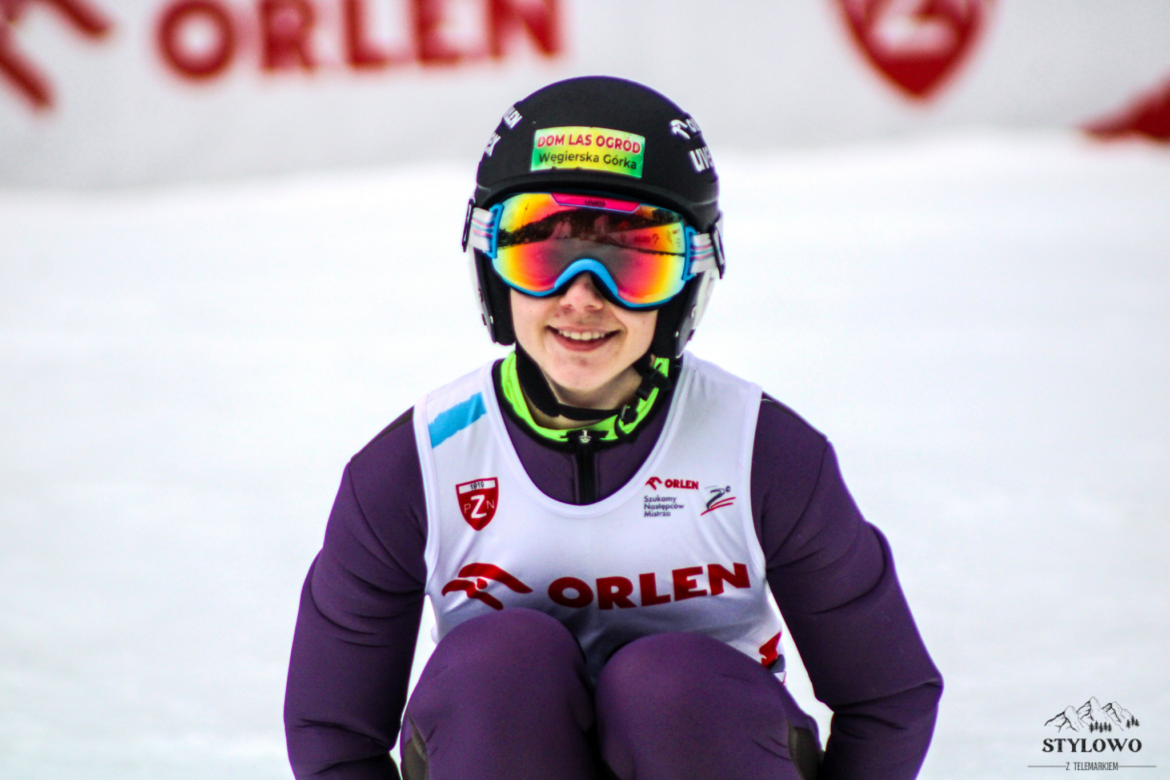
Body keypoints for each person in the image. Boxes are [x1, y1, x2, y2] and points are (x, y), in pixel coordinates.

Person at [284, 76, 942, 780]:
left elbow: (888, 698)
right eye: (542, 254)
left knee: (670, 687)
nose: (581, 298)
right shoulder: (418, 465)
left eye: (631, 261)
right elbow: (334, 734)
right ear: (492, 270)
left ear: (687, 283)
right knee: (497, 669)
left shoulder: (763, 454)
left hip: (705, 740)